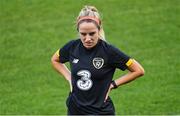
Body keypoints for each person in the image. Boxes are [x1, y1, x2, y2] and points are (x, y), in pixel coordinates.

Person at [51, 5, 145, 115]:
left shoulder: (109, 51)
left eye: (92, 33)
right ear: (78, 31)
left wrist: (113, 84)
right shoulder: (72, 47)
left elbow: (138, 70)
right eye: (83, 34)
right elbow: (55, 60)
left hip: (100, 111)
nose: (87, 39)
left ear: (99, 29)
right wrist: (69, 77)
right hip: (75, 109)